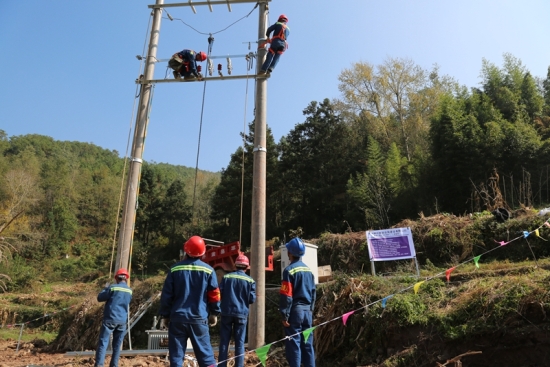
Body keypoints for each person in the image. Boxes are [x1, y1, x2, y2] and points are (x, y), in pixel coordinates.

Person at [159, 235, 221, 367]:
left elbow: (166, 295)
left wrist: (165, 315)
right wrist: (214, 313)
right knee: (206, 358)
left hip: (177, 319)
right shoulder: (208, 270)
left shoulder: (174, 269)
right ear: (203, 252)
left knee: (176, 358)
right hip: (199, 318)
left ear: (186, 251)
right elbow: (214, 294)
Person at [279, 237, 316, 367]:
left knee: (294, 346)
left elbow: (286, 295)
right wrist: (310, 310)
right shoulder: (309, 271)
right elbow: (313, 293)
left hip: (295, 313)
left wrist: (284, 315)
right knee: (308, 346)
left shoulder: (288, 271)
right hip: (307, 313)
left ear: (290, 253)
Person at [218, 254, 256, 367]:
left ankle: (221, 365)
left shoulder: (226, 277)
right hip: (241, 314)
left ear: (235, 265)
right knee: (239, 343)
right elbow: (252, 299)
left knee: (224, 341)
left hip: (226, 312)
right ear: (246, 267)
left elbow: (220, 293)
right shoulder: (250, 280)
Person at [94, 268, 133, 367]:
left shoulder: (112, 288)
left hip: (110, 319)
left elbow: (100, 298)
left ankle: (99, 364)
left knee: (103, 342)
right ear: (126, 278)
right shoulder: (130, 291)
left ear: (116, 278)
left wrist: (105, 288)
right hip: (122, 321)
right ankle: (114, 365)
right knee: (116, 346)